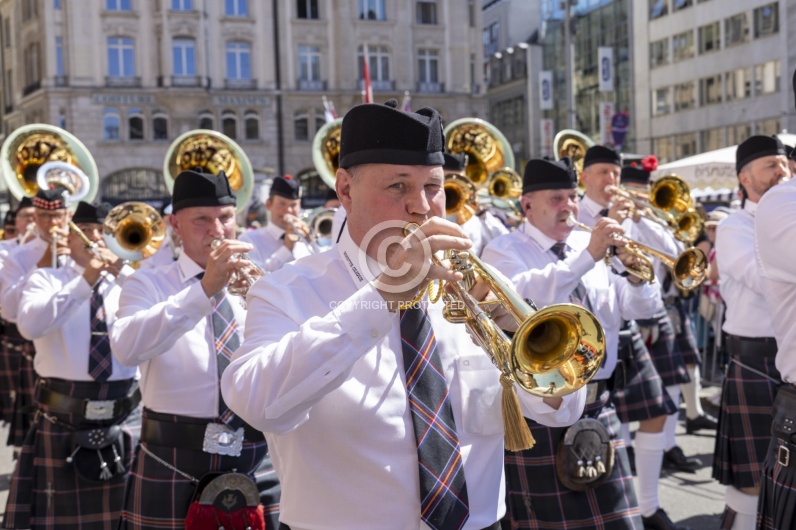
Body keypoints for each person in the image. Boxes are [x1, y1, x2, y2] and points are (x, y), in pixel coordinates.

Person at [221, 100, 586, 530]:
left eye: (434, 187)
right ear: (345, 190)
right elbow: (257, 404)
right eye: (398, 186)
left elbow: (558, 411)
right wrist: (383, 295)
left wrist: (517, 333)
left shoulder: (466, 288)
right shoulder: (287, 291)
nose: (423, 206)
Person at [481, 156, 664, 530]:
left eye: (571, 196)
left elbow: (640, 309)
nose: (568, 206)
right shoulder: (504, 249)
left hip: (600, 408)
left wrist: (636, 277)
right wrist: (587, 257)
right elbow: (521, 297)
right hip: (541, 408)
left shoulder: (589, 245)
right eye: (556, 199)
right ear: (526, 205)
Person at [110, 169, 279, 529]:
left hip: (255, 456)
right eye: (202, 219)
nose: (217, 231)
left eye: (225, 218)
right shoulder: (148, 283)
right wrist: (203, 290)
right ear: (175, 224)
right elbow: (127, 348)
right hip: (174, 457)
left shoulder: (265, 283)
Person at [2, 201, 140, 529]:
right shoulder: (46, 277)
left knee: (129, 517)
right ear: (70, 235)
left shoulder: (131, 281)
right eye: (87, 231)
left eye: (104, 233)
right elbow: (30, 326)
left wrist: (123, 276)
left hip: (125, 413)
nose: (95, 239)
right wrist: (85, 280)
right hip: (64, 417)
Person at [577, 146, 682, 530]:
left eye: (616, 173)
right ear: (584, 176)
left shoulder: (629, 212)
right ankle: (619, 505)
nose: (612, 181)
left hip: (626, 322)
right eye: (603, 172)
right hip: (586, 329)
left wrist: (640, 219)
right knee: (607, 422)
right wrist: (608, 221)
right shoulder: (573, 212)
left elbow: (671, 253)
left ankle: (649, 507)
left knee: (657, 413)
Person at [712, 135, 788, 530]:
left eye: (785, 164)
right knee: (751, 485)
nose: (783, 172)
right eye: (772, 166)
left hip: (787, 359)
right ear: (744, 177)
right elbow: (764, 279)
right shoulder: (733, 226)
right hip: (755, 358)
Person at [0, 188, 70, 449]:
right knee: (37, 419)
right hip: (36, 346)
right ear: (34, 218)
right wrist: (40, 265)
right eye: (43, 215)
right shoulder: (18, 256)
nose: (51, 223)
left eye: (57, 215)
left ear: (68, 215)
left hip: (73, 348)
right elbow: (8, 310)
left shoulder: (80, 250)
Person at [754, 143, 796, 530]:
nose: (778, 172)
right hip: (747, 349)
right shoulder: (782, 202)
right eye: (771, 165)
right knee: (743, 485)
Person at [0, 198, 36, 425]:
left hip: (48, 340)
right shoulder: (5, 251)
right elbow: (8, 303)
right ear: (17, 221)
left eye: (36, 215)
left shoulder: (58, 247)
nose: (31, 221)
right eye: (26, 216)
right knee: (20, 410)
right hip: (14, 336)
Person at [239, 174, 312, 271]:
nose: (289, 210)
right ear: (268, 205)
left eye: (294, 205)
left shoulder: (305, 239)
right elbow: (257, 279)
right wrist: (286, 249)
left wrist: (311, 243)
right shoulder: (249, 240)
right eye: (282, 204)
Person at [444, 153, 509, 256]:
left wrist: (482, 214)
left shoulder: (474, 219)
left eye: (459, 180)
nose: (455, 186)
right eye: (447, 179)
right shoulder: (428, 213)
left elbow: (505, 242)